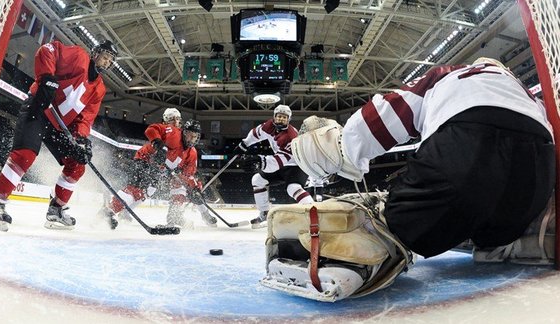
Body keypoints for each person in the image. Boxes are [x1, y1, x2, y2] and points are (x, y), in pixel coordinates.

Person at [262, 58, 555, 301]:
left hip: (464, 155)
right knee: (489, 220)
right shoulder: (528, 94)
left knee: (401, 219)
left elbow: (388, 113)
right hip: (535, 182)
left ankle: (364, 252)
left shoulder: (452, 74)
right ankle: (506, 239)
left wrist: (346, 148)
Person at [0, 40, 117, 232]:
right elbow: (48, 49)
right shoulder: (78, 56)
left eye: (111, 60)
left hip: (60, 125)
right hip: (39, 108)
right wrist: (47, 76)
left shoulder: (99, 89)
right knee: (25, 156)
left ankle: (56, 210)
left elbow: (85, 118)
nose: (107, 62)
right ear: (96, 53)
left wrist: (81, 139)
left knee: (77, 164)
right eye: (105, 56)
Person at [99, 117, 217, 229]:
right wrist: (156, 141)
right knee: (138, 188)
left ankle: (124, 211)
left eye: (194, 136)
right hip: (145, 159)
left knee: (150, 190)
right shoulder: (174, 133)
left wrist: (194, 189)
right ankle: (110, 210)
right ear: (184, 132)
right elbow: (151, 129)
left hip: (158, 169)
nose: (191, 139)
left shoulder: (192, 153)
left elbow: (187, 175)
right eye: (189, 134)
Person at [233, 104, 314, 228]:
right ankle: (264, 213)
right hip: (281, 163)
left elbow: (277, 162)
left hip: (297, 165)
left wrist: (260, 161)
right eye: (279, 116)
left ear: (289, 120)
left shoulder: (290, 136)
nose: (281, 119)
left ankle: (314, 214)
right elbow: (256, 133)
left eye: (284, 117)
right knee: (257, 180)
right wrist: (244, 144)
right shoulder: (269, 126)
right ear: (274, 117)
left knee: (293, 188)